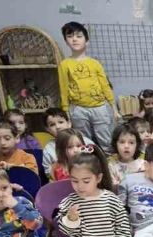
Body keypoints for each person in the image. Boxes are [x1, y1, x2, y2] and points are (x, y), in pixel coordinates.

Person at [58, 21, 120, 152]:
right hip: (78, 108)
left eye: (79, 36)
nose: (74, 39)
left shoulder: (95, 63)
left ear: (87, 41)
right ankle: (88, 166)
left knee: (106, 140)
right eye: (70, 36)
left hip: (100, 107)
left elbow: (105, 85)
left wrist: (113, 107)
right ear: (66, 40)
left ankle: (110, 165)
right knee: (83, 141)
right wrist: (66, 111)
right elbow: (63, 88)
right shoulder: (64, 64)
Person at [42, 108, 95, 181]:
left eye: (61, 122)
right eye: (52, 125)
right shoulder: (49, 149)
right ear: (47, 129)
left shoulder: (85, 141)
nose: (58, 127)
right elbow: (48, 173)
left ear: (69, 123)